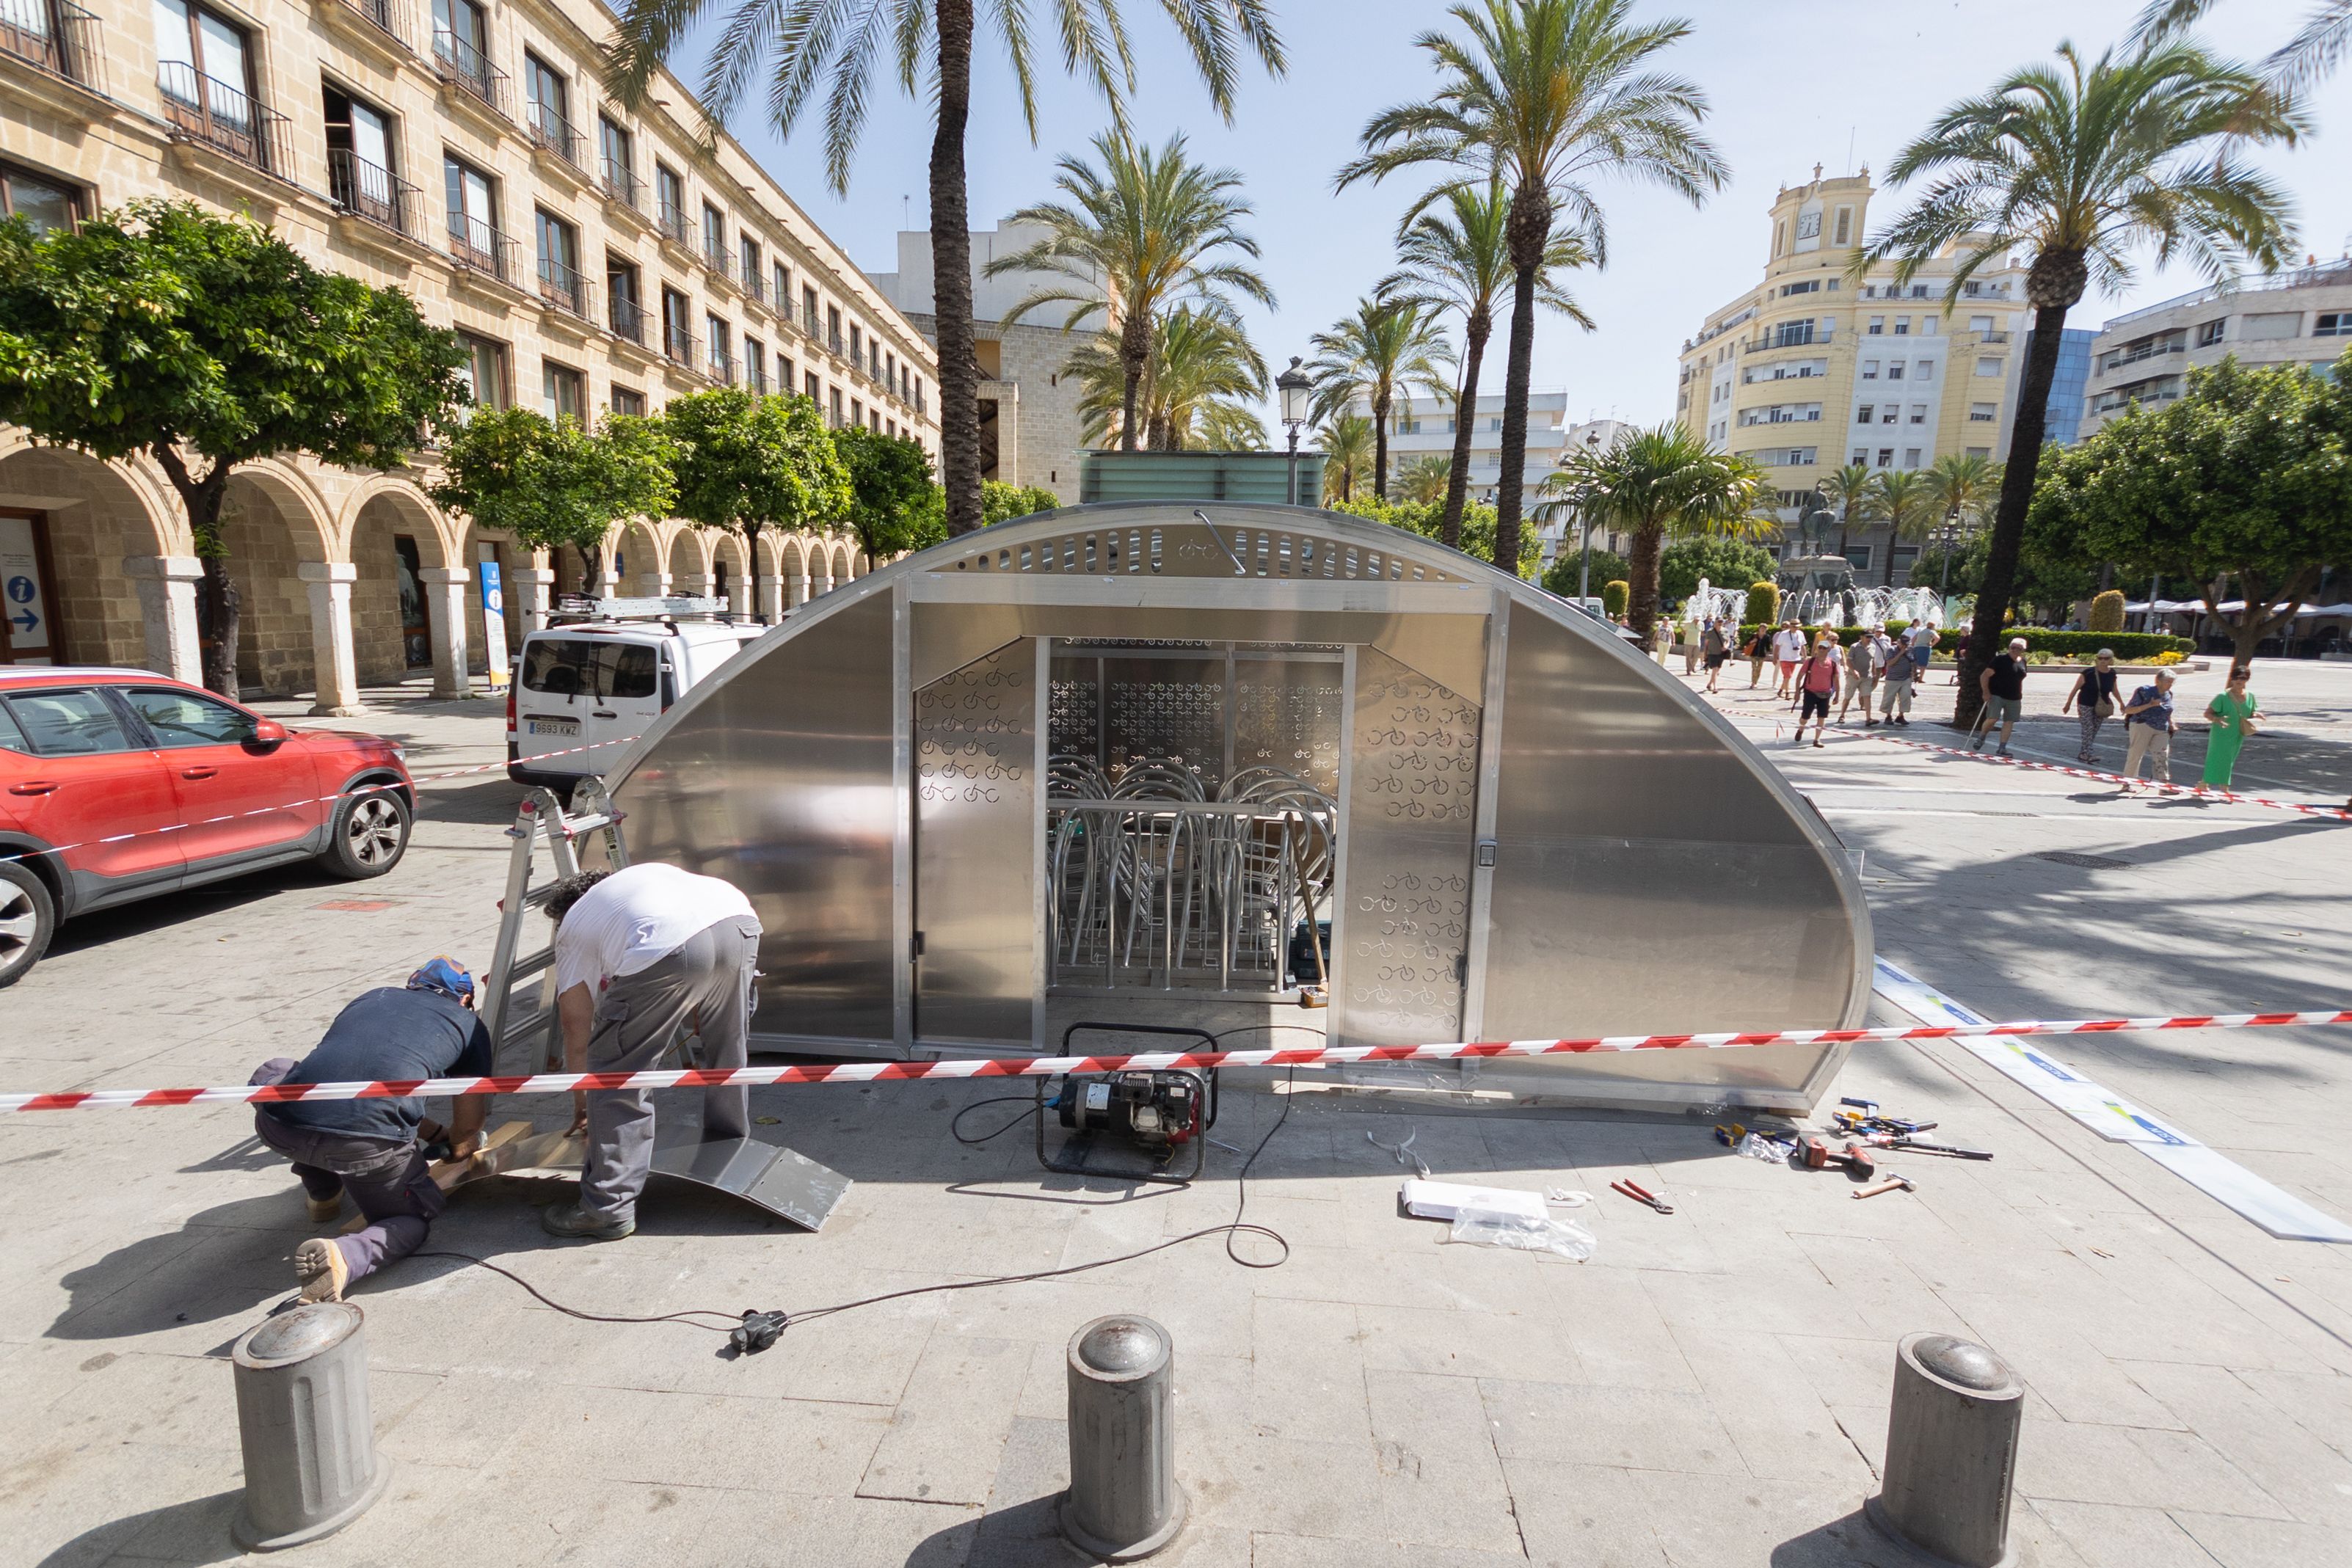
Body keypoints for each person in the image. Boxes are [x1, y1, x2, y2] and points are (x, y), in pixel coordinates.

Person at [539, 862, 765, 1241]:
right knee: (728, 1048)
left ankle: (607, 1209)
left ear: (565, 914)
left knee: (617, 1073)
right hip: (739, 922)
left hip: (666, 944)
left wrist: (586, 1105)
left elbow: (575, 1025)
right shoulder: (643, 879)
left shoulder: (576, 925)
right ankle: (728, 1149)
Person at [249, 958, 492, 1302]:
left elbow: (352, 1085)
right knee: (411, 1219)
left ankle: (323, 1192)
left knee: (280, 1069)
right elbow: (467, 1127)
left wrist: (434, 1133)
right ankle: (346, 1257)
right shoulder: (469, 1025)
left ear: (413, 985)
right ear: (466, 1000)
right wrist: (459, 1147)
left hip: (280, 1125)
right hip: (362, 1148)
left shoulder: (372, 997)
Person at [2199, 665, 2260, 792]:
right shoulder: (2223, 696)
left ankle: (2204, 783)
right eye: (2236, 678)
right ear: (2232, 679)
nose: (2239, 681)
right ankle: (2224, 787)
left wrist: (2255, 715)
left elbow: (2249, 712)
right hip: (2221, 733)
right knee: (2219, 758)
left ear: (2247, 679)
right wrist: (2217, 719)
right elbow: (2207, 713)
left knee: (2230, 758)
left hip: (2238, 733)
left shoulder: (2250, 696)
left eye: (2243, 678)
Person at [1971, 636, 2031, 756]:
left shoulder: (2023, 662)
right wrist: (1986, 692)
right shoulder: (2000, 660)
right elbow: (1985, 675)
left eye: (2019, 648)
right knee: (1993, 718)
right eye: (2013, 648)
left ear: (2023, 650)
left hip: (2015, 697)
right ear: (2009, 648)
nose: (2015, 650)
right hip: (1997, 694)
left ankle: (2002, 748)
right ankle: (1982, 737)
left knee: (2009, 721)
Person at [2119, 668, 2180, 787]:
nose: (2170, 685)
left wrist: (2171, 723)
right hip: (2142, 725)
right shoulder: (2144, 692)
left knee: (2162, 755)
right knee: (2136, 754)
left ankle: (2164, 785)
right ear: (2158, 681)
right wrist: (2149, 705)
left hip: (2162, 728)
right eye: (2168, 681)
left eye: (2172, 682)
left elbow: (2167, 711)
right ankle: (2127, 783)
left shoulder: (2169, 694)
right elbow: (2128, 710)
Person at [2063, 649, 2121, 765]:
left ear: (2111, 660)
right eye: (2100, 658)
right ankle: (2086, 754)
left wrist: (2122, 703)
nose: (2103, 661)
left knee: (2094, 729)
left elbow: (2114, 690)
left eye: (2106, 658)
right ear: (2096, 659)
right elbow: (2075, 689)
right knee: (2088, 728)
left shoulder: (2112, 674)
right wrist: (2068, 704)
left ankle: (2085, 751)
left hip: (2101, 706)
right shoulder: (2088, 673)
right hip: (2085, 704)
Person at [1795, 632, 1842, 748]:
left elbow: (1836, 680)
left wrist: (1837, 696)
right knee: (1805, 717)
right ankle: (1801, 729)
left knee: (1822, 717)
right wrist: (1797, 692)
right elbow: (1800, 676)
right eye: (1819, 647)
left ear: (1828, 650)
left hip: (1825, 694)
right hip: (1810, 692)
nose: (1821, 650)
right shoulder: (1810, 662)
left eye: (1824, 648)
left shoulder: (1832, 664)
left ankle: (1817, 739)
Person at [1839, 627, 1884, 726]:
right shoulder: (1854, 647)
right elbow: (1848, 661)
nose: (1870, 639)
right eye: (1868, 637)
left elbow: (1872, 661)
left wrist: (1875, 674)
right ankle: (1842, 715)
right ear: (1862, 637)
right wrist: (1853, 671)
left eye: (1871, 637)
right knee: (1848, 697)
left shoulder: (1873, 647)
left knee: (1867, 696)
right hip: (1853, 677)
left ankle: (1868, 718)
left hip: (1867, 676)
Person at [1878, 632, 1918, 724]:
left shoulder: (1911, 649)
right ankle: (1888, 716)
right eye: (1903, 644)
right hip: (1893, 678)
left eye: (1906, 644)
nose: (1905, 646)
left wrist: (1914, 674)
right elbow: (1890, 663)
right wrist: (1901, 653)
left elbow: (1914, 662)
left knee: (1905, 697)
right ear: (1898, 643)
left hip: (1906, 678)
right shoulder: (1892, 650)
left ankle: (1901, 716)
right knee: (1889, 698)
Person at [1773, 619, 1808, 700]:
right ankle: (1787, 693)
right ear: (1790, 626)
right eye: (1793, 627)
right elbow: (1777, 646)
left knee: (1787, 677)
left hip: (1795, 659)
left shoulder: (1800, 634)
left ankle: (1781, 690)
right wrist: (1775, 657)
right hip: (1784, 658)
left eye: (1797, 627)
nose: (1795, 628)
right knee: (1788, 676)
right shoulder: (1784, 634)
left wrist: (1805, 657)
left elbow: (1803, 646)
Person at [1702, 618, 1730, 692]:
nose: (1720, 623)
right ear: (1715, 623)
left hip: (1721, 653)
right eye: (1719, 622)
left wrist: (1726, 647)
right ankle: (1715, 687)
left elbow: (1728, 641)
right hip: (1712, 653)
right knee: (1715, 669)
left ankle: (1710, 684)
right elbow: (1706, 644)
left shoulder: (1725, 631)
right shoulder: (1710, 632)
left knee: (1717, 670)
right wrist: (1705, 654)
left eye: (1722, 622)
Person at [1746, 624, 1775, 688]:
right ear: (1759, 629)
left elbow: (1768, 646)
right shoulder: (1754, 635)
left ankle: (1755, 682)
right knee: (1754, 668)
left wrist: (1769, 652)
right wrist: (1753, 641)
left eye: (1764, 629)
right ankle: (1753, 683)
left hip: (1762, 655)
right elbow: (1747, 642)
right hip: (1754, 654)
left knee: (1759, 669)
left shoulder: (1767, 636)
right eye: (1761, 628)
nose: (1763, 630)